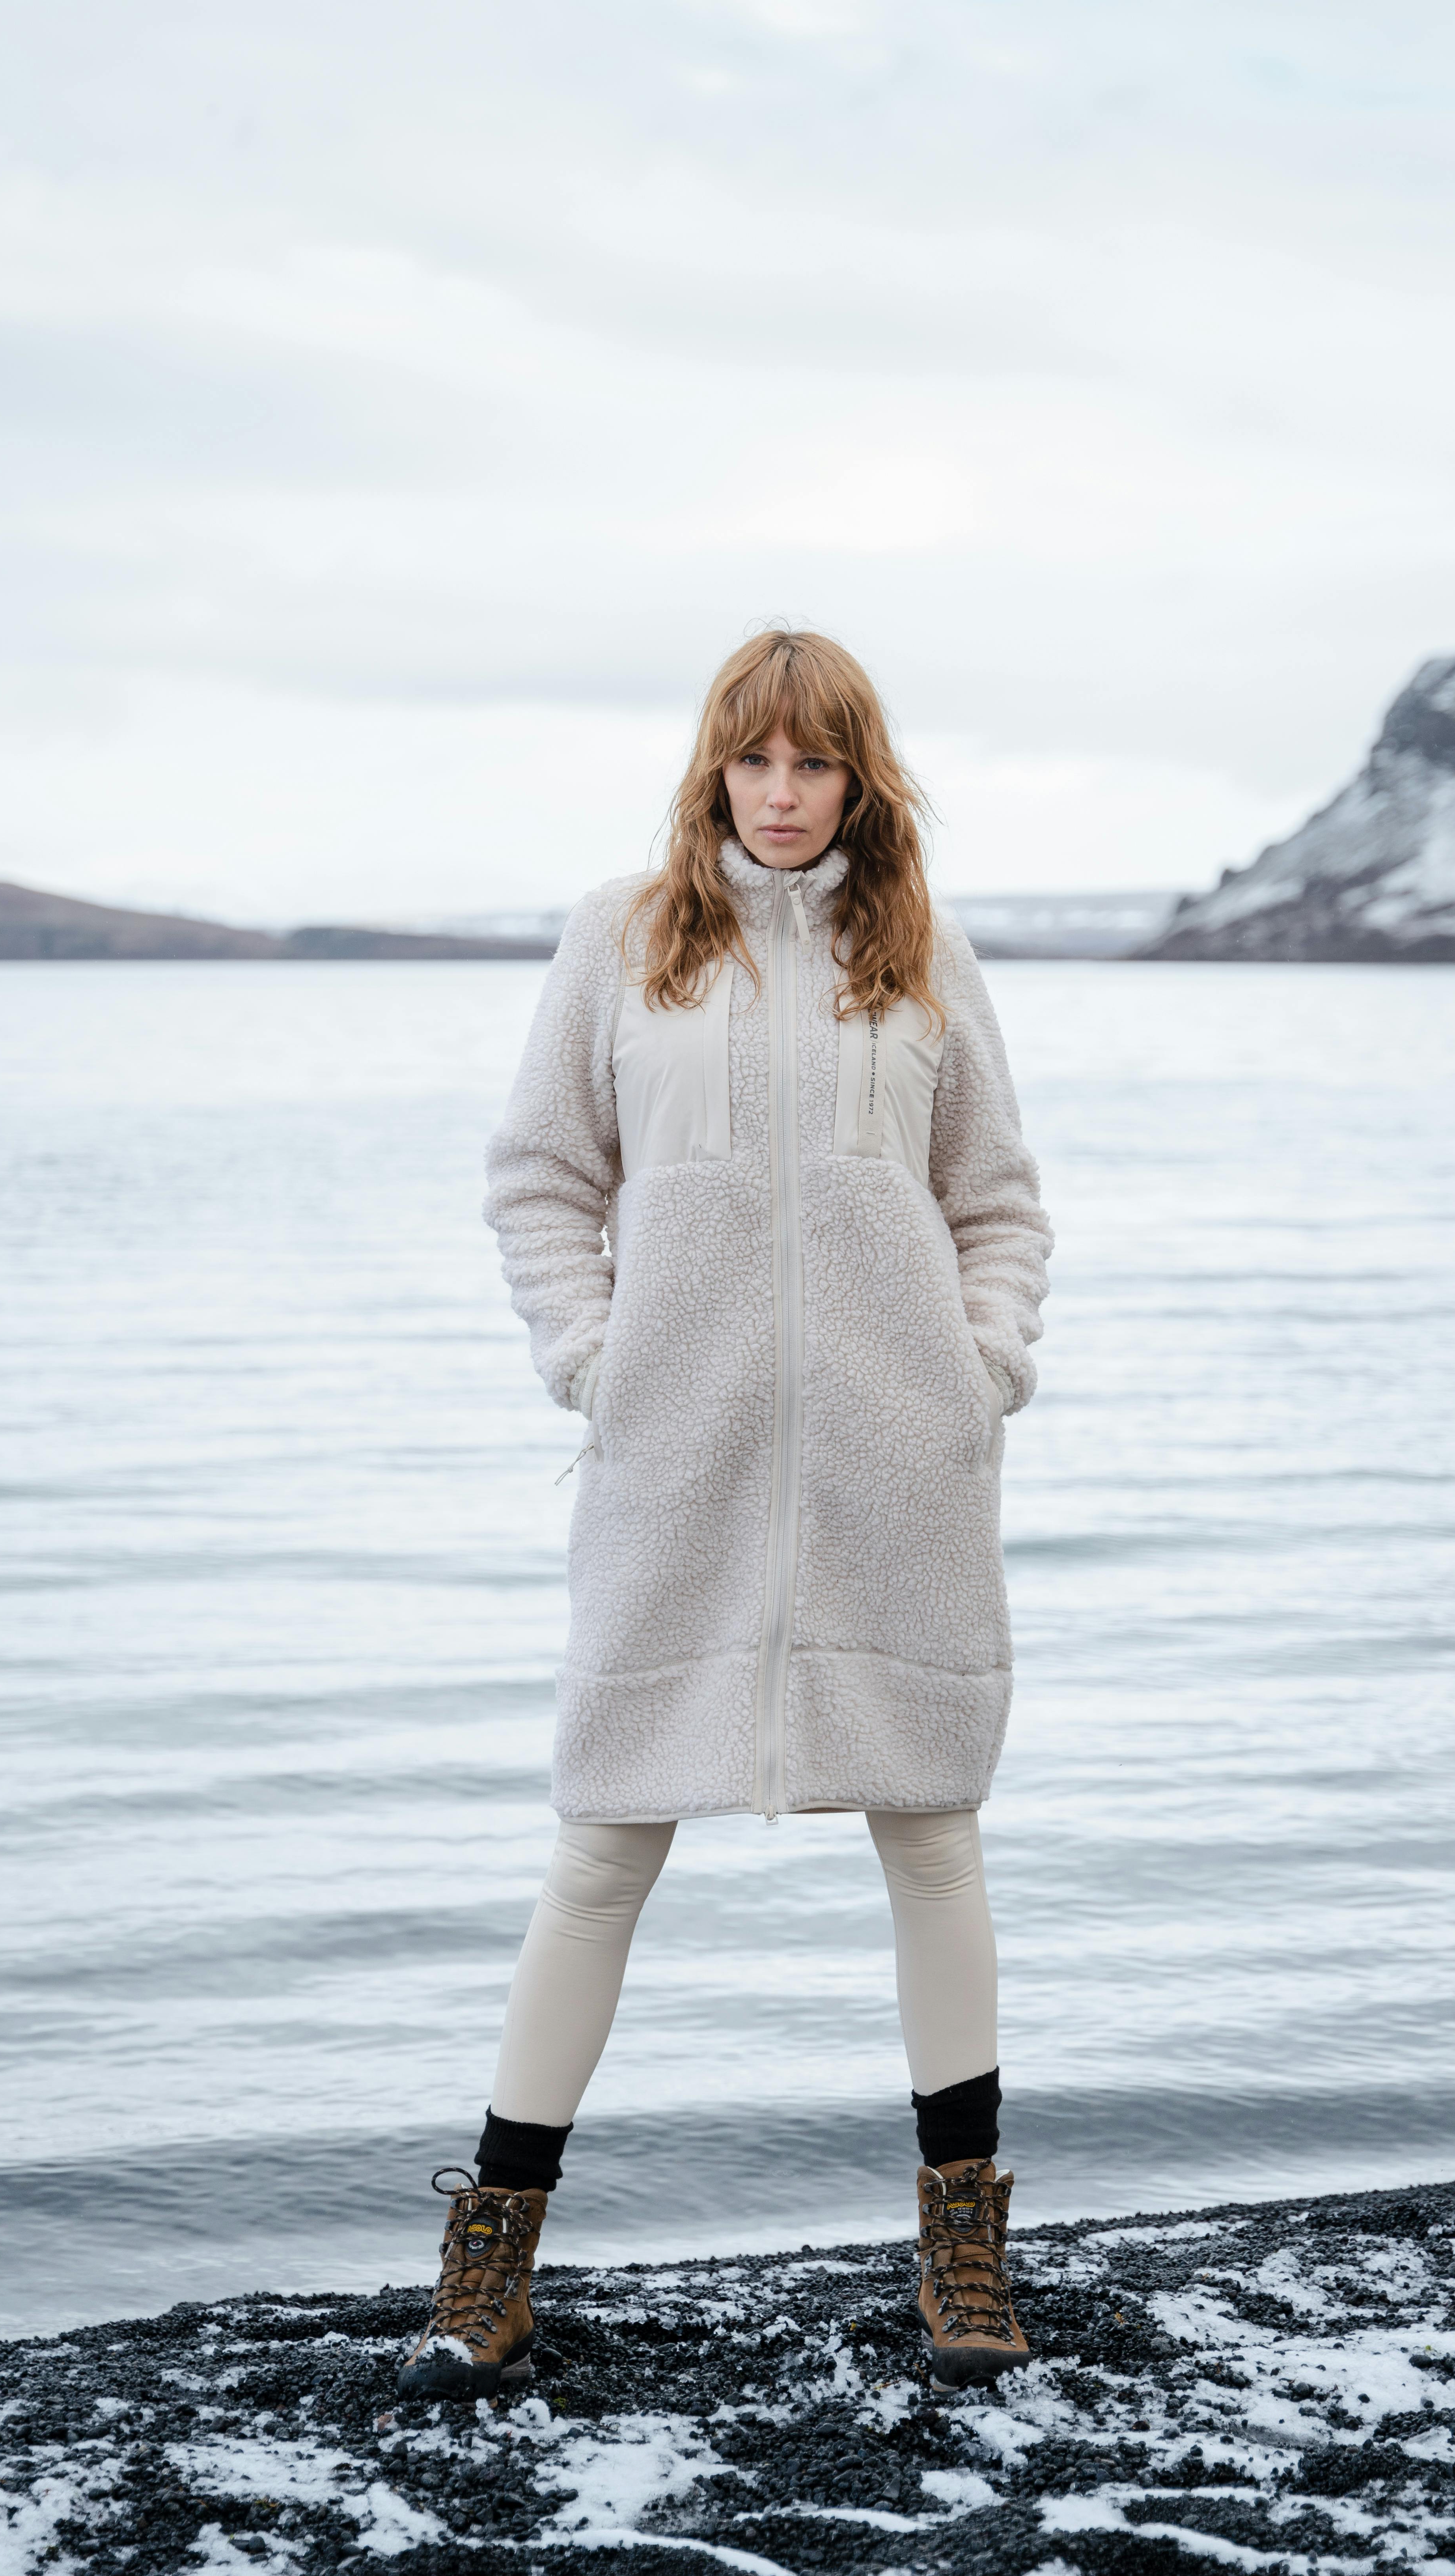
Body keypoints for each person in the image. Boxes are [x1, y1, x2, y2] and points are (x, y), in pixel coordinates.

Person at [399, 629, 1052, 2400]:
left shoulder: (917, 951)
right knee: (602, 1842)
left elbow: (994, 1202)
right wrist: (593, 1363)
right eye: (754, 762)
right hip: (672, 1472)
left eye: (815, 766)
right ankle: (493, 2251)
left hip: (893, 1473)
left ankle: (963, 2243)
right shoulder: (625, 937)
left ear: (858, 782)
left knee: (932, 1835)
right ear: (714, 770)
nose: (783, 796)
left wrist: (978, 1371)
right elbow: (541, 1174)